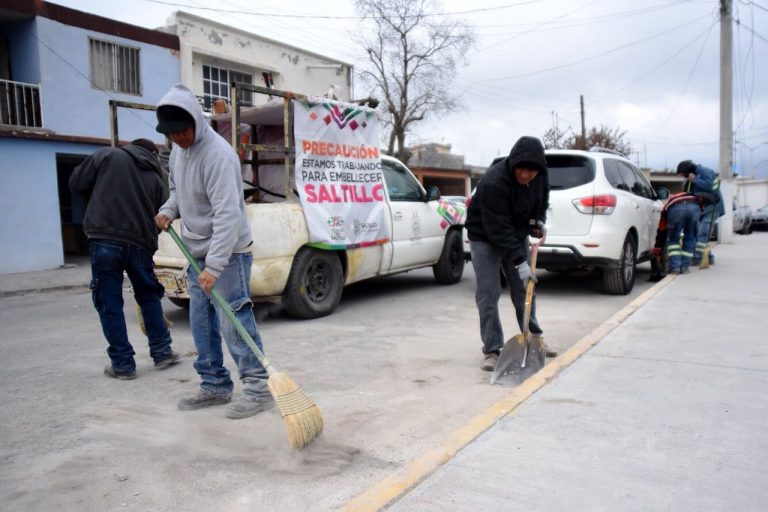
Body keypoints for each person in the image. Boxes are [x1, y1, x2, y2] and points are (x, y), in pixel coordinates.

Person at [153, 83, 273, 419]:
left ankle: (258, 387)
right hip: (196, 251)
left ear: (195, 119)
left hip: (229, 252)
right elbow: (178, 192)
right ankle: (214, 385)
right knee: (200, 320)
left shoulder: (219, 155)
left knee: (233, 317)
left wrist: (215, 266)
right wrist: (168, 209)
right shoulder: (179, 151)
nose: (178, 138)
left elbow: (228, 215)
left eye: (183, 131)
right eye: (172, 134)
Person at [69, 138, 179, 380]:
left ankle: (123, 364)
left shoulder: (107, 156)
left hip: (105, 238)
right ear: (152, 153)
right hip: (140, 242)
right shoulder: (158, 174)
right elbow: (165, 211)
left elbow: (76, 183)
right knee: (149, 296)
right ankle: (162, 352)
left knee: (109, 302)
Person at [465, 136, 555, 372]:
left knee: (524, 289)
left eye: (531, 171)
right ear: (513, 163)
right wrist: (518, 261)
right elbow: (497, 228)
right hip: (484, 236)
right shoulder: (494, 181)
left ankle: (533, 338)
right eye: (521, 169)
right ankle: (492, 349)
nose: (526, 175)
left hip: (515, 233)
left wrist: (537, 221)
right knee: (489, 293)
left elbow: (541, 201)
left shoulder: (541, 176)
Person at [675, 160, 723, 264]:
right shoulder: (691, 178)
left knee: (702, 232)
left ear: (688, 171)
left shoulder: (705, 171)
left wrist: (695, 180)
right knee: (698, 233)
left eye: (684, 174)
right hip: (702, 209)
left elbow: (710, 186)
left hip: (713, 207)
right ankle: (709, 257)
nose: (684, 177)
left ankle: (698, 257)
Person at [660, 191, 702, 275]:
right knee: (690, 237)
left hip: (676, 208)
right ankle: (684, 267)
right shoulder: (695, 197)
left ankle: (675, 267)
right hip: (694, 207)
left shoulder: (670, 200)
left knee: (673, 239)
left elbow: (663, 219)